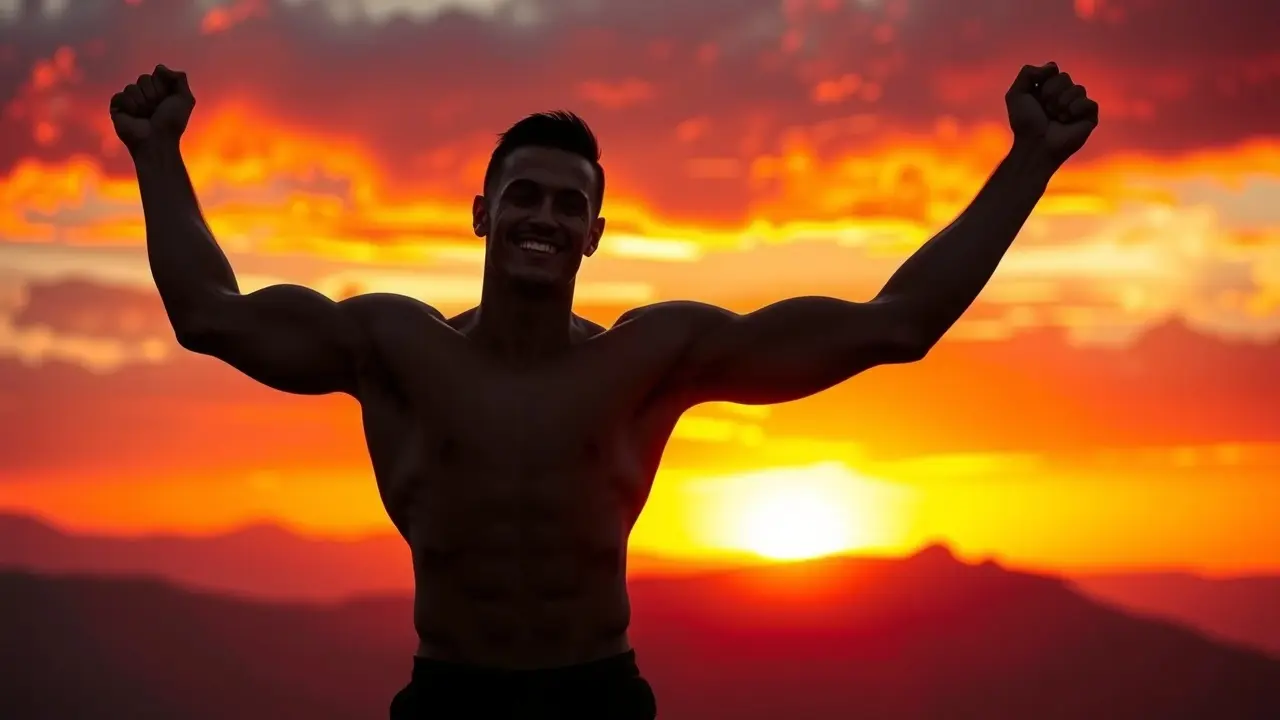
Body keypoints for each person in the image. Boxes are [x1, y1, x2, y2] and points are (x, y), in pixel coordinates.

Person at [109, 61, 1098, 719]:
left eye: (568, 204)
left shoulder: (648, 360)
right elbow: (210, 312)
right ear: (480, 213)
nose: (543, 216)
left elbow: (893, 325)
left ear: (592, 234)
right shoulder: (392, 346)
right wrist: (157, 151)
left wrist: (1027, 162)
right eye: (523, 196)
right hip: (449, 696)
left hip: (597, 698)